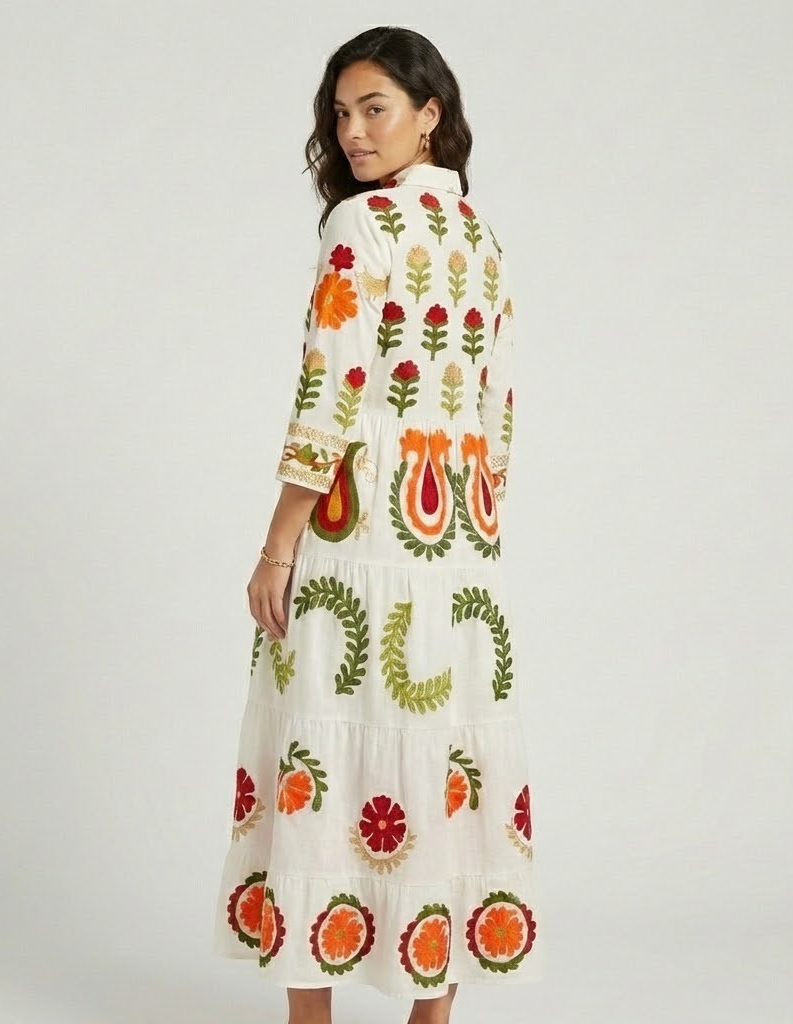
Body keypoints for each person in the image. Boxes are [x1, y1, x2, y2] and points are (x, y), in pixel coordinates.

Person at [213, 25, 541, 1024]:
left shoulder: (361, 227)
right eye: (341, 113)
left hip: (355, 543)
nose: (353, 133)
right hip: (457, 554)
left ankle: (309, 1017)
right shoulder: (481, 239)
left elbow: (330, 389)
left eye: (375, 109)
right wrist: (470, 535)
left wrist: (278, 543)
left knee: (318, 755)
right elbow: (498, 412)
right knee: (440, 761)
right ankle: (430, 1014)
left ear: (428, 114)